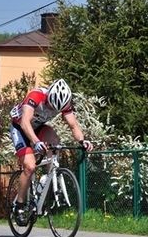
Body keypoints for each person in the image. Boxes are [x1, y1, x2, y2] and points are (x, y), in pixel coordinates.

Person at [8, 79, 93, 226]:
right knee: (29, 166)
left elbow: (73, 125)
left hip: (39, 127)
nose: (52, 109)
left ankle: (47, 181)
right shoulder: (36, 96)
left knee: (55, 142)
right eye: (50, 106)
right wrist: (36, 142)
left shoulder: (65, 103)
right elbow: (25, 122)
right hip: (20, 128)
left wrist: (82, 141)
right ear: (49, 97)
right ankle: (19, 206)